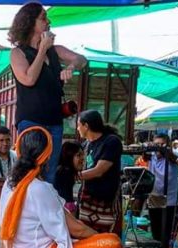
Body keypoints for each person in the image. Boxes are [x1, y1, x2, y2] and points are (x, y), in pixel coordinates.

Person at [0, 127, 146, 248]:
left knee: (93, 244)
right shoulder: (39, 188)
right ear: (47, 157)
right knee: (113, 243)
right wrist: (100, 241)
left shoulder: (9, 183)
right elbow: (77, 229)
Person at [8, 2, 87, 188]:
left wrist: (71, 66)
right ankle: (27, 211)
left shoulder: (55, 50)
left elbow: (81, 59)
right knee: (30, 170)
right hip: (30, 120)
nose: (48, 21)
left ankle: (44, 213)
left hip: (54, 121)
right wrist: (42, 48)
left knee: (50, 172)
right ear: (29, 22)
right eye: (43, 18)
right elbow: (28, 79)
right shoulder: (17, 53)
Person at [77, 110, 123, 234]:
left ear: (86, 126)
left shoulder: (111, 142)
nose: (77, 128)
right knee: (86, 239)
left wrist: (75, 176)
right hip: (87, 200)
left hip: (106, 201)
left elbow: (99, 171)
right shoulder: (86, 144)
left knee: (106, 241)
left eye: (78, 125)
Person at [146, 134, 178, 248]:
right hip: (154, 197)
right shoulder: (152, 157)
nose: (158, 148)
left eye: (161, 144)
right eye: (157, 144)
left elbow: (176, 159)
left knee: (165, 234)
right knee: (155, 232)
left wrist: (164, 150)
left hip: (169, 201)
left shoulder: (173, 158)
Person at [54, 140, 84, 212]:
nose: (82, 158)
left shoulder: (62, 170)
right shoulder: (65, 173)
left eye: (82, 155)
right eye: (78, 155)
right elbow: (68, 204)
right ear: (69, 156)